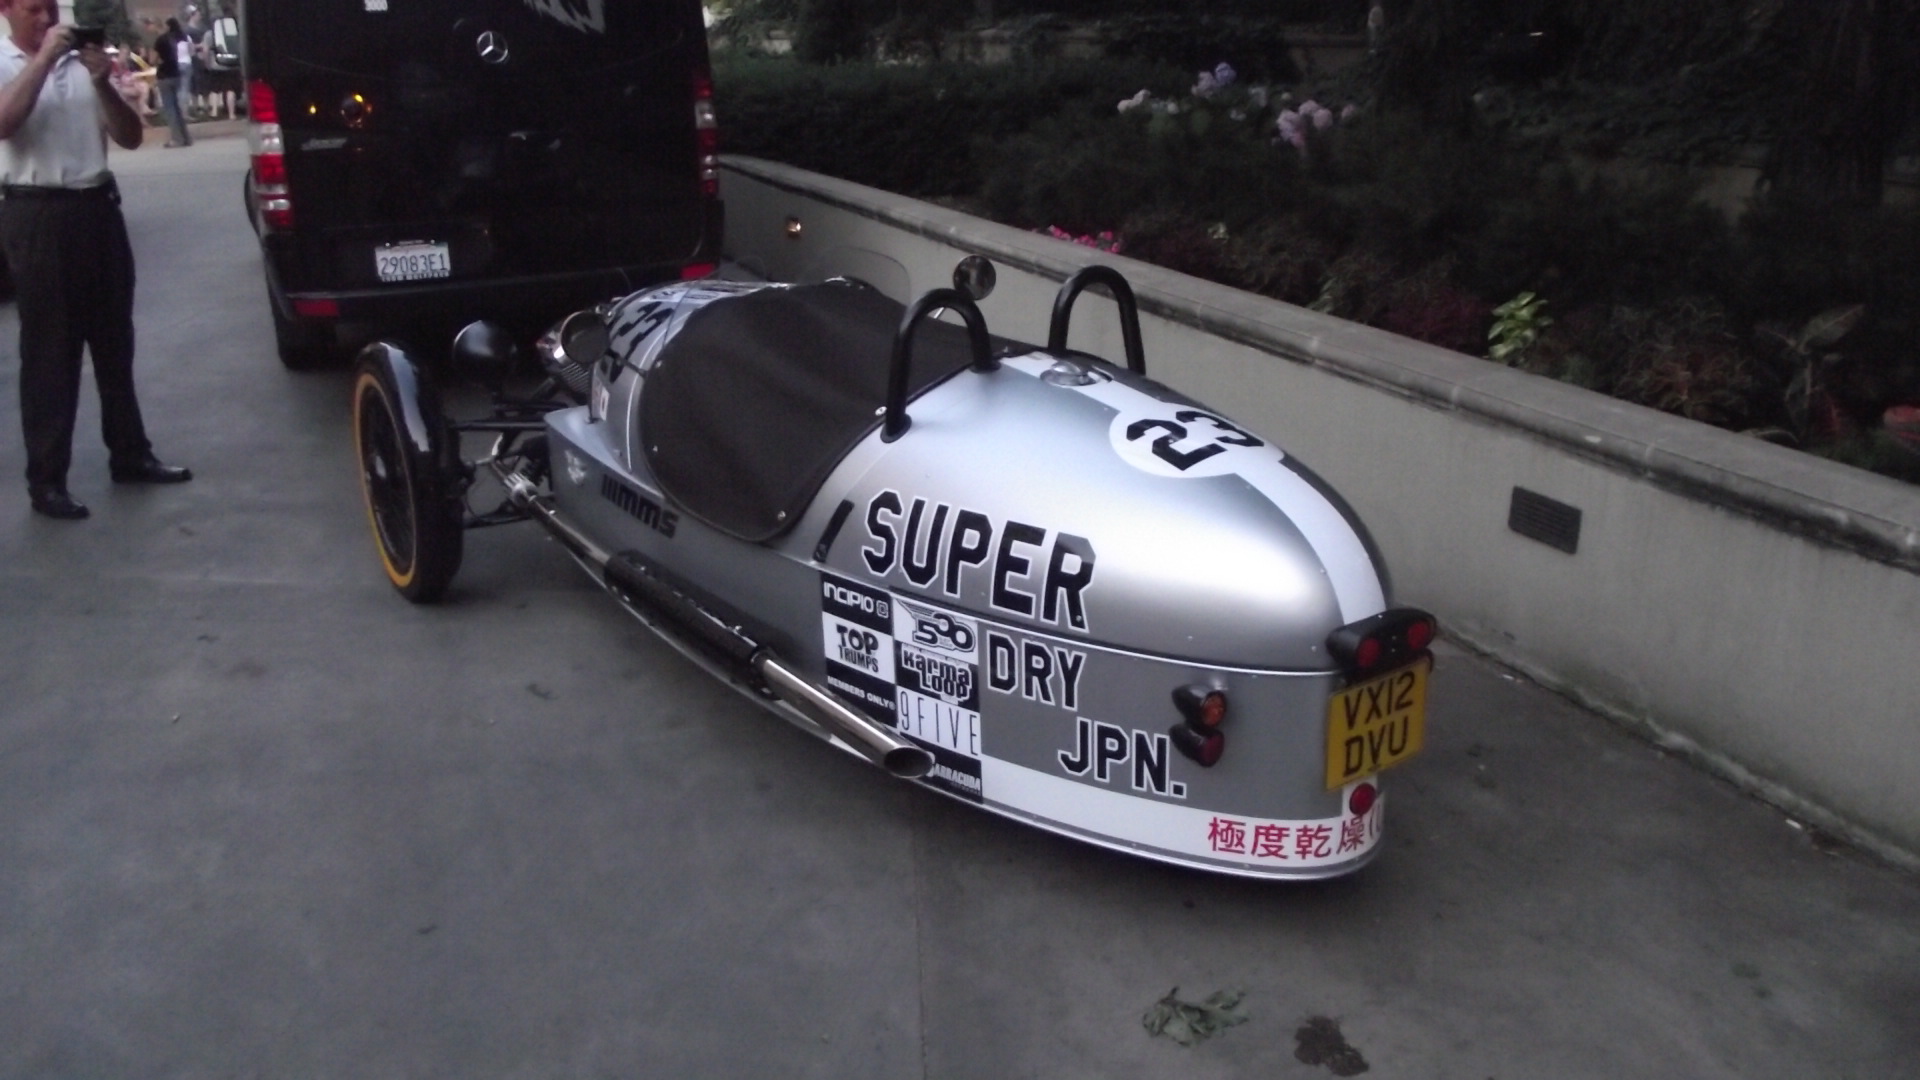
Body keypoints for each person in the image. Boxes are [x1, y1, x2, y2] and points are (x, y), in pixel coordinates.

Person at [0, 0, 192, 520]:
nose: (47, 20)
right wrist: (43, 61)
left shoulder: (82, 63)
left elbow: (129, 137)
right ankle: (47, 480)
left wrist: (103, 82)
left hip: (97, 207)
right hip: (38, 211)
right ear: (6, 8)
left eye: (51, 9)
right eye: (34, 10)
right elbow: (5, 123)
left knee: (114, 341)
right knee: (50, 352)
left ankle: (130, 453)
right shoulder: (5, 61)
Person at [152, 16, 188, 146]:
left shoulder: (159, 41)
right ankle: (185, 137)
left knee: (170, 109)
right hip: (175, 73)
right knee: (176, 107)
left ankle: (176, 139)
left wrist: (157, 61)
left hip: (164, 75)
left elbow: (153, 59)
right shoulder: (172, 39)